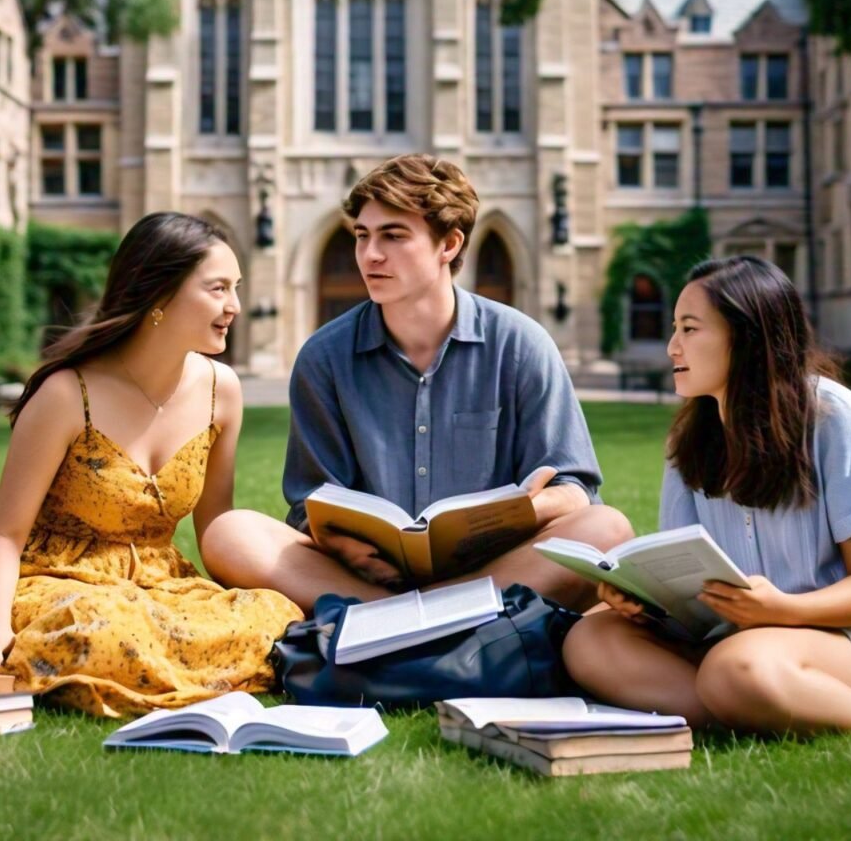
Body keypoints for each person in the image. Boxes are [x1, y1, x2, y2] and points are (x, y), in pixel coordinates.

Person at [204, 154, 633, 613]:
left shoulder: (521, 343)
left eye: (393, 236)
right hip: (369, 578)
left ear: (448, 244)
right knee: (231, 534)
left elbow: (576, 488)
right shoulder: (323, 357)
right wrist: (346, 547)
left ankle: (409, 622)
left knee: (607, 528)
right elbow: (310, 502)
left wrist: (524, 512)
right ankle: (441, 618)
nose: (370, 255)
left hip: (496, 566)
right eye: (362, 236)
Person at [0, 213, 302, 717]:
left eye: (236, 289)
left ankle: (157, 658)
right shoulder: (67, 394)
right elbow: (4, 535)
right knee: (98, 626)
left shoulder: (223, 390)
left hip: (156, 586)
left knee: (274, 616)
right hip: (58, 583)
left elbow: (215, 523)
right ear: (160, 295)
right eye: (218, 289)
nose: (234, 307)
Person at [563, 256, 851, 734]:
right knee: (589, 638)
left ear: (745, 336)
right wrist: (642, 598)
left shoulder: (836, 421)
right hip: (732, 637)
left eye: (690, 330)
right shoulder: (690, 440)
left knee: (734, 667)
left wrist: (782, 609)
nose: (672, 346)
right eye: (675, 328)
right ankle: (750, 705)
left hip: (843, 637)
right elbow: (687, 588)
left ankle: (850, 713)